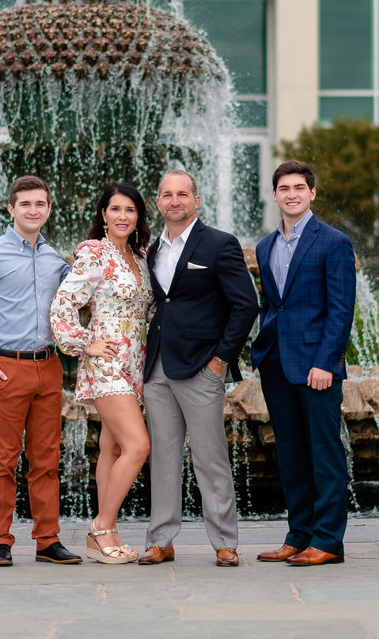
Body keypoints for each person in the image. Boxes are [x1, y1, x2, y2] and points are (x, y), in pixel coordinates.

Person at [0, 175, 83, 568]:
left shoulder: (54, 261)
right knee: (3, 460)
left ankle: (48, 540)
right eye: (25, 204)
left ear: (48, 209)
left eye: (40, 204)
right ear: (10, 209)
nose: (33, 210)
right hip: (6, 368)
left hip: (48, 367)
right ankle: (0, 540)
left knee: (46, 460)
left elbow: (77, 299)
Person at [138, 169, 259, 568]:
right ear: (158, 202)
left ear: (196, 200)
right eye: (167, 194)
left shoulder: (219, 244)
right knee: (164, 457)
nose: (175, 201)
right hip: (157, 368)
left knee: (210, 458)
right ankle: (161, 540)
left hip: (201, 369)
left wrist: (220, 360)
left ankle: (225, 542)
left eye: (183, 194)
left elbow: (246, 305)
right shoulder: (151, 250)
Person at [252, 159, 357, 567]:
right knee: (292, 454)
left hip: (317, 367)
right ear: (275, 195)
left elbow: (340, 309)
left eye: (299, 187)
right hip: (276, 364)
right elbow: (271, 304)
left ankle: (328, 541)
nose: (292, 194)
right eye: (284, 188)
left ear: (312, 193)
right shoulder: (266, 246)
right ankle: (298, 535)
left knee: (324, 453)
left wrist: (326, 362)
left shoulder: (333, 242)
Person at [50, 182, 154, 564]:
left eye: (130, 210)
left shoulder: (140, 258)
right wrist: (84, 344)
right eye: (115, 209)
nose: (123, 216)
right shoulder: (95, 254)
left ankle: (105, 533)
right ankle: (101, 526)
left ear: (138, 216)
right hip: (107, 362)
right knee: (138, 446)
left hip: (136, 363)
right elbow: (62, 306)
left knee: (112, 448)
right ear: (103, 216)